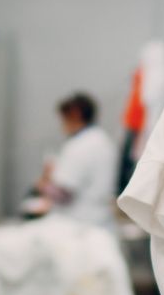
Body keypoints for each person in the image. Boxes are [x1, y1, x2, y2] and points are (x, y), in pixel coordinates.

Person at [33, 92, 118, 228]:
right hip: (99, 222)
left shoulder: (80, 146)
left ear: (75, 114)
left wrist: (44, 182)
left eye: (63, 118)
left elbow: (64, 194)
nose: (62, 125)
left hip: (79, 225)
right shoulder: (102, 140)